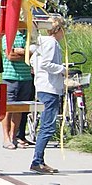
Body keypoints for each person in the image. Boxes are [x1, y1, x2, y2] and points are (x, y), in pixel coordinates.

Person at [29, 15, 67, 174]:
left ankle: (39, 160)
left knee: (46, 125)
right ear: (58, 30)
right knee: (48, 126)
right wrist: (62, 70)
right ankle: (37, 161)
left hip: (43, 85)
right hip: (50, 87)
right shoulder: (51, 43)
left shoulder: (42, 42)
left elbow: (34, 61)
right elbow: (46, 64)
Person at [1, 30, 35, 149]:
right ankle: (6, 138)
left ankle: (14, 137)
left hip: (26, 77)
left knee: (19, 108)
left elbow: (36, 53)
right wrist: (27, 54)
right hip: (10, 77)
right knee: (7, 109)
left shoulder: (30, 36)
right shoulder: (9, 35)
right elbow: (10, 55)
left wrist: (21, 52)